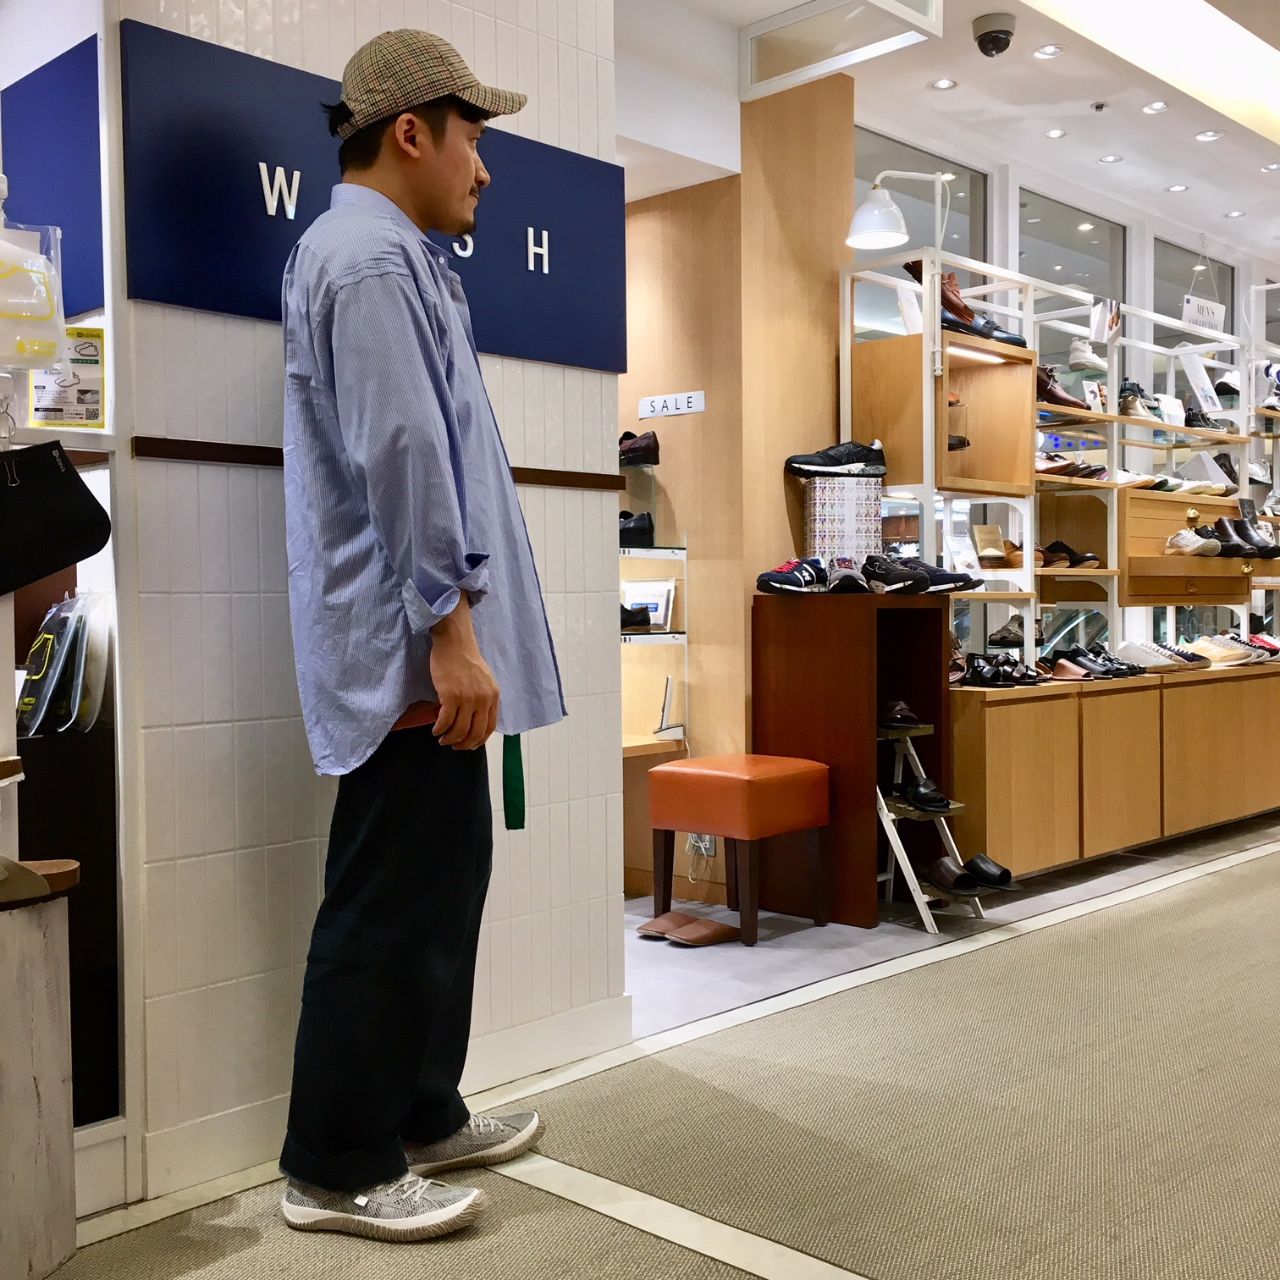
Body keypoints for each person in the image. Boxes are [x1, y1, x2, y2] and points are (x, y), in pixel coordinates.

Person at [277, 29, 565, 1243]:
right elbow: (399, 454)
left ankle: (419, 1109)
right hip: (409, 643)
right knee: (390, 897)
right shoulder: (365, 260)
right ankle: (334, 1162)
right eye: (474, 137)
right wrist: (448, 629)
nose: (484, 168)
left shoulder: (393, 256)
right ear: (411, 131)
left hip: (422, 639)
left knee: (438, 885)